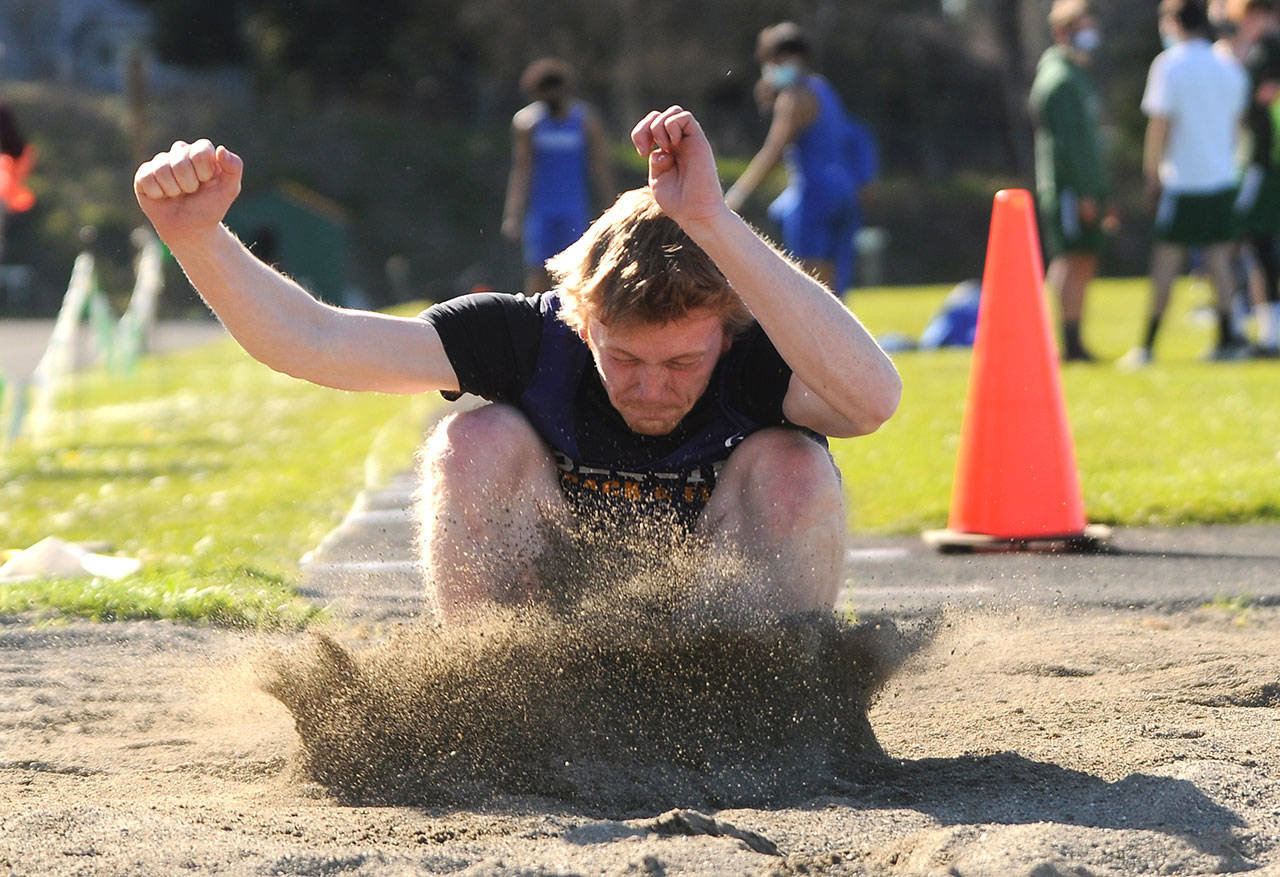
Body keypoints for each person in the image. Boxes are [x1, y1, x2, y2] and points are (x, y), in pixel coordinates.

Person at [132, 107, 902, 625]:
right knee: (474, 438)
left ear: (725, 334)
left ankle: (791, 707)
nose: (650, 386)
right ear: (582, 320)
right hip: (554, 613)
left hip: (719, 620)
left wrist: (709, 219)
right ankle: (485, 691)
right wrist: (197, 238)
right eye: (623, 356)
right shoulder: (531, 337)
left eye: (682, 361)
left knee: (797, 462)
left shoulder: (760, 355)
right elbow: (316, 340)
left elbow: (872, 401)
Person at [1123, 0, 1250, 367]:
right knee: (1218, 260)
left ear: (1175, 22)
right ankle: (1228, 337)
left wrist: (1152, 175)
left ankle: (1147, 345)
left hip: (1184, 180)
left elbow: (1159, 125)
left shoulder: (1170, 65)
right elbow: (1237, 126)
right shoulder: (1228, 67)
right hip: (1223, 178)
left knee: (1165, 261)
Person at [724, 22, 877, 294]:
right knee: (833, 290)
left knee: (809, 288)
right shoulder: (822, 87)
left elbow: (773, 152)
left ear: (783, 58)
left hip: (814, 195)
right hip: (843, 193)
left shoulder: (794, 97)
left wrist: (737, 196)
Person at [1029, 0, 1117, 363]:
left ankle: (1074, 339)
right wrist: (1083, 192)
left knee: (1084, 259)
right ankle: (1055, 339)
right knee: (1068, 258)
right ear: (1063, 32)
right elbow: (1068, 146)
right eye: (1083, 28)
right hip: (1069, 189)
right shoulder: (1060, 79)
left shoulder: (1077, 75)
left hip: (1088, 188)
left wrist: (1100, 192)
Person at [501, 58, 615, 295]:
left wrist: (612, 207)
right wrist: (513, 214)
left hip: (573, 208)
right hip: (541, 212)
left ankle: (573, 328)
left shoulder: (586, 120)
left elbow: (598, 166)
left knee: (576, 271)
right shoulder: (527, 123)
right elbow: (522, 171)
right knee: (538, 273)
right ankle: (532, 325)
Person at [1227, 0, 1280, 356]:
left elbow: (1254, 102)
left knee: (1252, 239)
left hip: (1264, 161)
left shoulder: (1268, 50)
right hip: (1264, 160)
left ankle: (1266, 329)